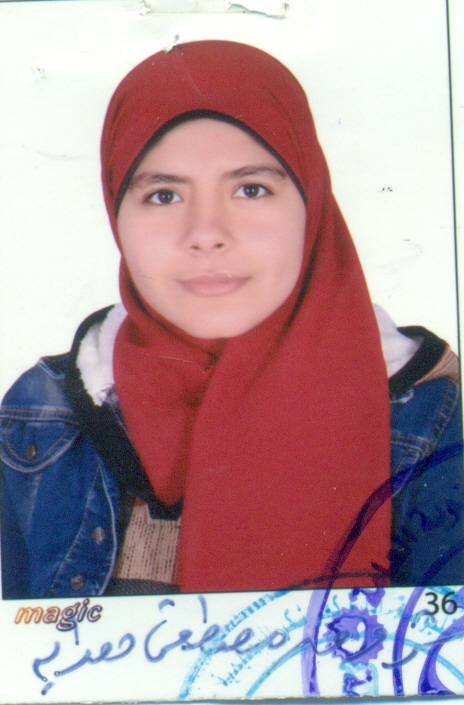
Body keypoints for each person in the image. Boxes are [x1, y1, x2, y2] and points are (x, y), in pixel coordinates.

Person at [1, 41, 462, 599]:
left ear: (311, 202)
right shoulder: (38, 417)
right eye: (164, 195)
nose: (206, 233)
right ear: (116, 210)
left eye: (251, 189)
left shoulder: (433, 420)